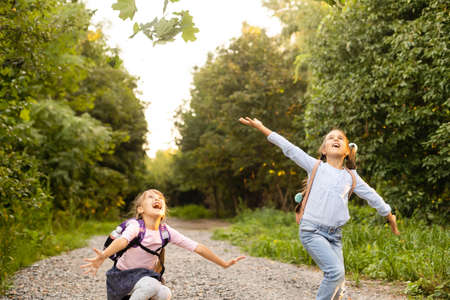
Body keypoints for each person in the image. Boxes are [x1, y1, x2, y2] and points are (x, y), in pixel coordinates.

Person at [239, 117, 399, 300]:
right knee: (335, 273)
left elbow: (372, 196)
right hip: (312, 231)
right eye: (331, 138)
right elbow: (289, 148)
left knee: (338, 288)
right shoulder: (315, 166)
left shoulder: (351, 177)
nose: (336, 139)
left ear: (347, 151)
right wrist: (262, 127)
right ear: (323, 150)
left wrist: (389, 214)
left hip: (335, 236)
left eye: (340, 138)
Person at [81, 189, 245, 300]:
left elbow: (198, 248)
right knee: (152, 284)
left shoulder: (166, 232)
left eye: (160, 198)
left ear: (164, 210)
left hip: (141, 279)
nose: (157, 199)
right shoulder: (136, 226)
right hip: (121, 279)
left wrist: (223, 264)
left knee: (164, 293)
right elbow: (122, 241)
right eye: (151, 197)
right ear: (140, 209)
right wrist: (104, 255)